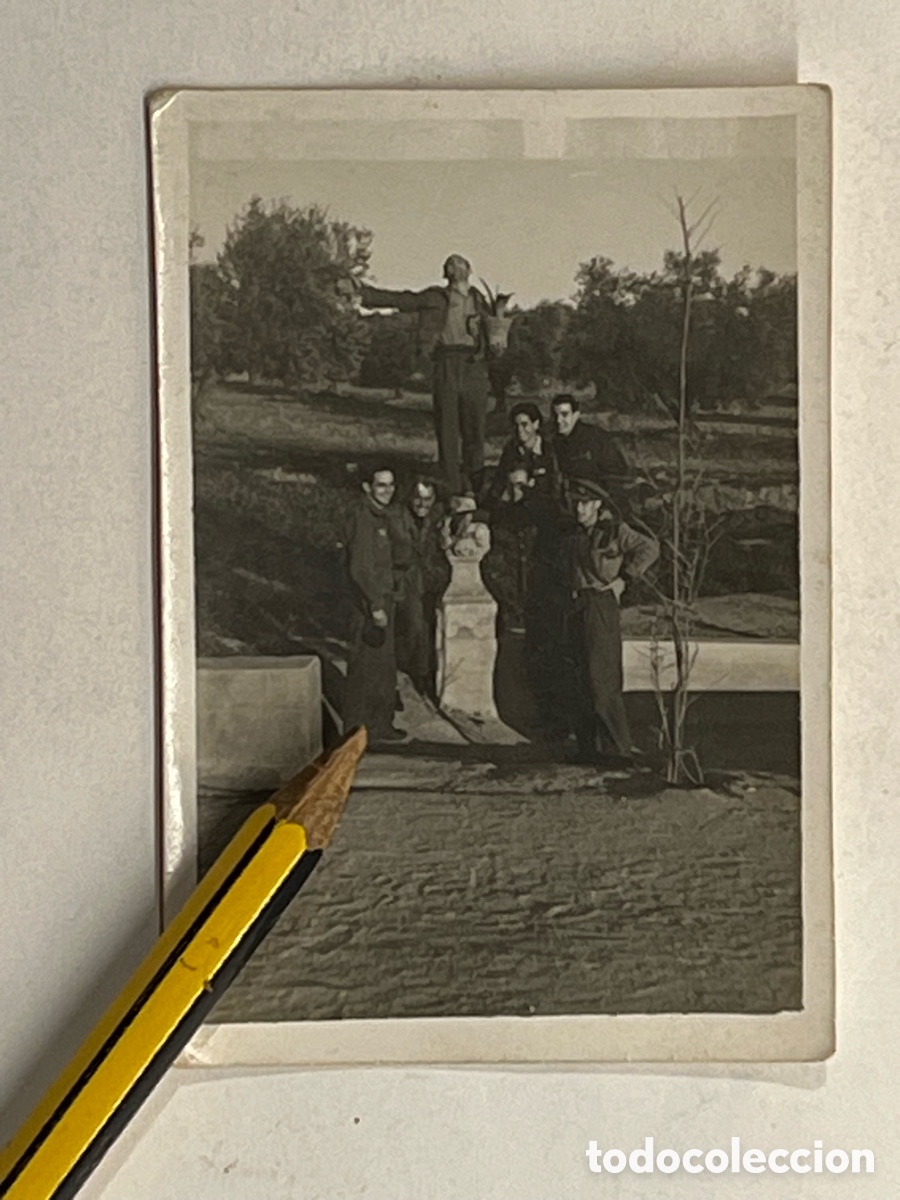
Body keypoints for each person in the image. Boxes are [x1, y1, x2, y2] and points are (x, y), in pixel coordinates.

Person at [360, 255, 495, 497]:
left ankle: (476, 491)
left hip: (474, 366)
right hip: (445, 362)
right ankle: (452, 492)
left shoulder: (479, 299)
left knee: (475, 430)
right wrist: (364, 294)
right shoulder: (435, 296)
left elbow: (495, 330)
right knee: (448, 432)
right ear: (446, 273)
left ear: (469, 270)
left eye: (460, 264)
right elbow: (402, 299)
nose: (455, 266)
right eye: (451, 265)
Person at [564, 477, 659, 768]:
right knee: (579, 679)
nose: (579, 508)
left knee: (601, 677)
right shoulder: (571, 532)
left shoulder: (615, 530)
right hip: (576, 604)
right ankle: (587, 748)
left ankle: (619, 750)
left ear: (597, 505)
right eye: (576, 502)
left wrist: (624, 580)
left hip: (601, 605)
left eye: (585, 503)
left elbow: (650, 548)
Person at [342, 466, 406, 742]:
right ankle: (359, 729)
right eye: (381, 485)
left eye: (391, 485)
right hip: (369, 605)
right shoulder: (363, 517)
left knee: (381, 666)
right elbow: (360, 568)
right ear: (367, 487)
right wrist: (375, 605)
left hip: (383, 599)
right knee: (366, 667)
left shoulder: (382, 515)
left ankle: (378, 724)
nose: (387, 490)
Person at [391, 478, 450, 699]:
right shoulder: (398, 517)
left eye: (428, 499)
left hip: (430, 579)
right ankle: (418, 674)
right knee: (414, 626)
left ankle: (426, 672)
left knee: (429, 626)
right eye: (417, 498)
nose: (422, 504)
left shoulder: (437, 515)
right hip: (407, 580)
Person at [549, 394, 631, 510]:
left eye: (564, 415)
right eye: (555, 415)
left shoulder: (595, 438)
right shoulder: (553, 442)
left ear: (576, 415)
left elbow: (616, 474)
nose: (558, 420)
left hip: (597, 504)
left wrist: (607, 508)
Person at [484, 401, 561, 507]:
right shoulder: (510, 449)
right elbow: (498, 484)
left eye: (524, 424)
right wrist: (508, 482)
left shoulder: (549, 451)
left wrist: (528, 485)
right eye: (516, 425)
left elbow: (556, 491)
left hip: (543, 510)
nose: (520, 430)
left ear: (536, 424)